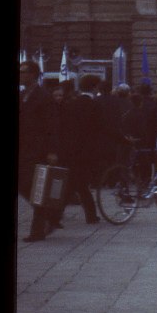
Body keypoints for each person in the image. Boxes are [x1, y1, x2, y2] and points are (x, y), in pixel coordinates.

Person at [19, 61, 62, 242]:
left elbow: (52, 125)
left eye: (24, 72)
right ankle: (49, 215)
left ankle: (38, 230)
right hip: (24, 148)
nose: (21, 75)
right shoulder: (22, 95)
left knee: (35, 186)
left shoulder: (44, 96)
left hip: (38, 149)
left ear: (34, 74)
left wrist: (52, 150)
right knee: (25, 186)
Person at [57, 74, 104, 226]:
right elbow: (102, 129)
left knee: (76, 184)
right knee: (76, 184)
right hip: (86, 152)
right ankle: (54, 217)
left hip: (71, 150)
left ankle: (89, 216)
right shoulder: (94, 105)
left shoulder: (73, 104)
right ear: (95, 87)